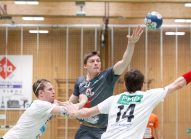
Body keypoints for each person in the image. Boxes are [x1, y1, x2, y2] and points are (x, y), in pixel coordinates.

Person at [64, 69, 191, 139]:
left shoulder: (114, 99)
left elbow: (86, 112)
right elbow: (178, 84)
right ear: (142, 85)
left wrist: (72, 111)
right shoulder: (148, 97)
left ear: (124, 85)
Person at [68, 25, 144, 139]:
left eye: (98, 61)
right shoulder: (80, 81)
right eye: (92, 61)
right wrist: (54, 105)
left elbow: (124, 62)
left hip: (102, 130)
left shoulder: (107, 76)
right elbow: (70, 103)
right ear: (85, 66)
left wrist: (131, 43)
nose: (96, 63)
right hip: (84, 129)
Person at [2, 79, 79, 139]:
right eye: (50, 89)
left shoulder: (42, 105)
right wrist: (83, 101)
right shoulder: (41, 105)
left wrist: (55, 102)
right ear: (41, 93)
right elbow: (69, 111)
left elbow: (65, 104)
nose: (54, 92)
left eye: (53, 89)